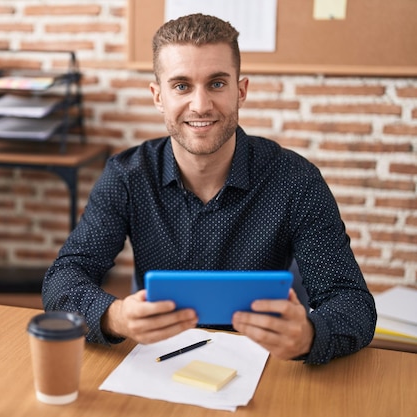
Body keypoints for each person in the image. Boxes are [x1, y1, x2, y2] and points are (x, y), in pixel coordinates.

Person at [42, 13, 376, 365]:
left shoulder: (295, 180)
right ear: (158, 96)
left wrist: (308, 335)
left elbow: (352, 304)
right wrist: (115, 317)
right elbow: (62, 279)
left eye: (216, 83)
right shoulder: (128, 176)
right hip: (160, 358)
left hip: (266, 365)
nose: (200, 105)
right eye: (182, 86)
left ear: (240, 90)